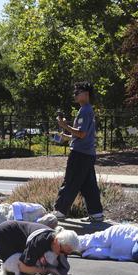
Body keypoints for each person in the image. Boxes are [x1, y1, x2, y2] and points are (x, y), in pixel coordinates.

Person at [53, 82, 103, 222]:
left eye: (78, 91)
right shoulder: (87, 110)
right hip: (87, 154)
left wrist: (64, 125)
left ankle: (60, 211)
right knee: (88, 185)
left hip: (80, 154)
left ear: (86, 94)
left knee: (70, 181)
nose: (75, 94)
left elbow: (81, 134)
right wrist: (67, 136)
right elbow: (83, 135)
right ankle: (96, 213)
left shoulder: (85, 111)